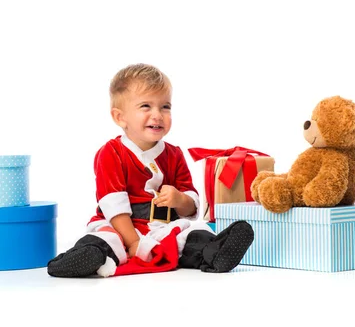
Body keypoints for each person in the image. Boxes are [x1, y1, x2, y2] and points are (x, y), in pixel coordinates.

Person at [47, 63, 254, 278]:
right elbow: (114, 207)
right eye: (146, 106)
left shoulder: (173, 154)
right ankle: (86, 256)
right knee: (107, 239)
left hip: (161, 226)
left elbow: (191, 203)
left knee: (193, 233)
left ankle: (215, 251)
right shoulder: (112, 153)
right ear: (120, 117)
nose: (157, 114)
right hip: (123, 226)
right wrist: (135, 242)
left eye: (165, 107)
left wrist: (179, 199)